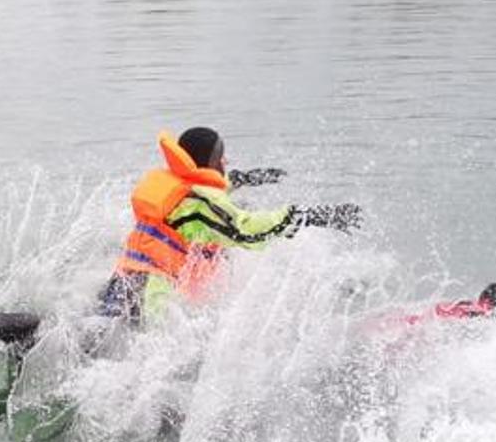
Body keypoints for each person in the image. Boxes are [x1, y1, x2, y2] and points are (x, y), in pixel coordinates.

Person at [99, 127, 361, 322]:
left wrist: (246, 178)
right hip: (149, 300)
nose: (226, 161)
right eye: (220, 156)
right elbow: (246, 231)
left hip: (123, 286)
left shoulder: (178, 187)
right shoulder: (198, 207)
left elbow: (206, 190)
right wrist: (312, 216)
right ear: (209, 162)